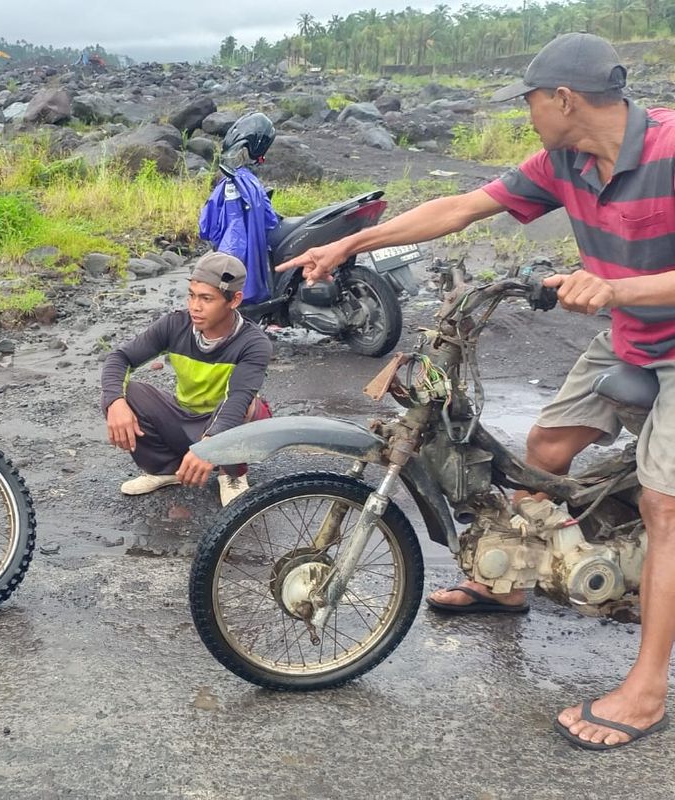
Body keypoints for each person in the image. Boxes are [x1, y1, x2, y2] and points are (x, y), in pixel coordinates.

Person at [277, 32, 675, 750]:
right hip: (629, 336)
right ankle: (509, 583)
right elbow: (461, 207)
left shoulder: (670, 150)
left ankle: (646, 690)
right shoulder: (563, 162)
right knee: (543, 451)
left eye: (531, 102)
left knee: (662, 504)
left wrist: (617, 288)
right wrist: (349, 244)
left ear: (564, 99)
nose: (528, 114)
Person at [101, 252, 273, 507]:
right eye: (192, 295)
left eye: (206, 298)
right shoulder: (175, 325)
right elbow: (120, 357)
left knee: (249, 406)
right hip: (185, 418)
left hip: (227, 422)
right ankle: (166, 469)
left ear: (234, 300)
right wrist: (115, 402)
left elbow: (237, 400)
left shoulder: (254, 343)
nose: (195, 306)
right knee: (127, 393)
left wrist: (209, 447)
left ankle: (232, 473)